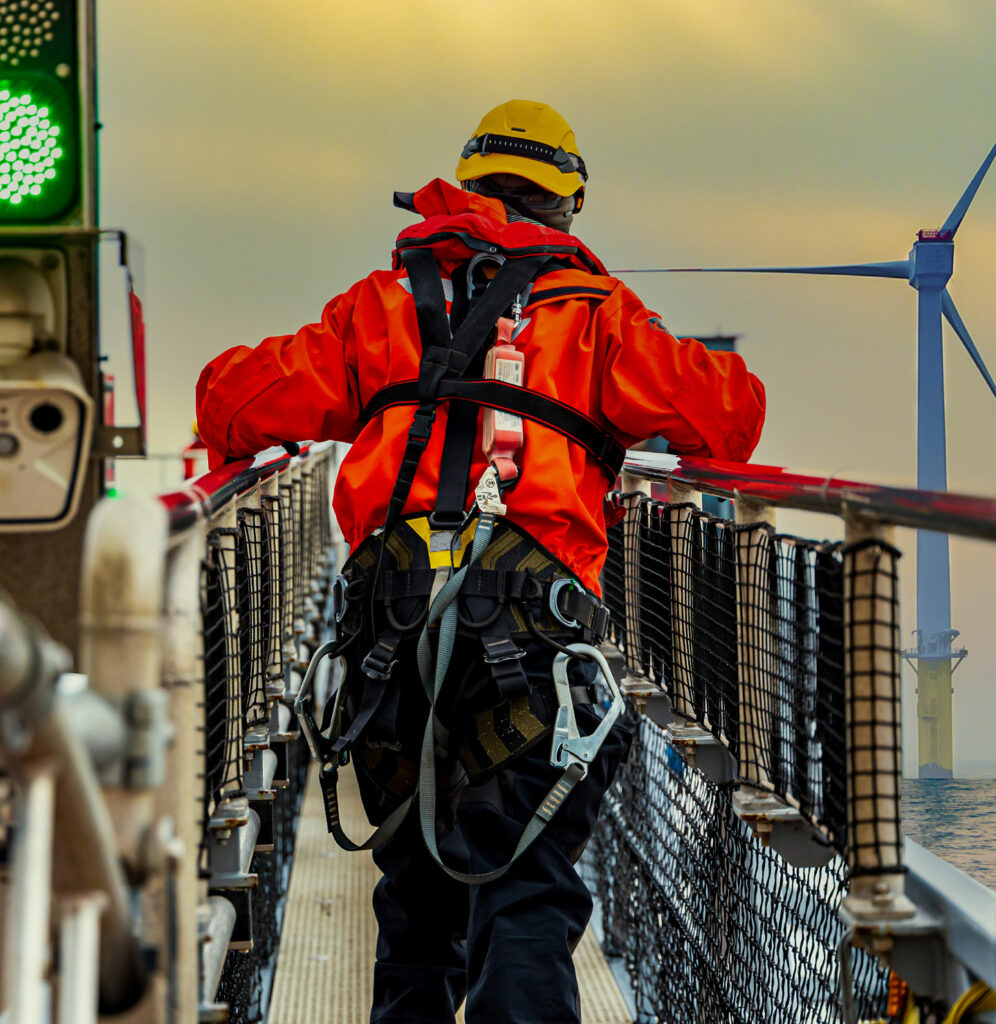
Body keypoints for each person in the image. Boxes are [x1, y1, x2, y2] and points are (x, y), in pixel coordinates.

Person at [196, 98, 765, 1024]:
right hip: (533, 651)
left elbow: (229, 403)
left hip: (391, 644)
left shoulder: (378, 309)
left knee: (417, 908)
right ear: (568, 206)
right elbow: (731, 415)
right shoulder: (594, 317)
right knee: (528, 891)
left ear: (460, 193)